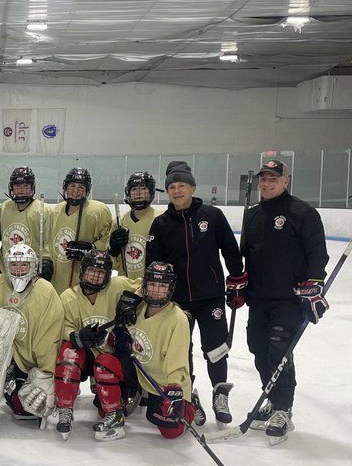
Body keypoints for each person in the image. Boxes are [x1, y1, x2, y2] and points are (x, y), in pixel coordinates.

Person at [236, 158, 329, 444]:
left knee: (279, 351)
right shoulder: (252, 215)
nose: (267, 183)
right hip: (259, 298)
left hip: (289, 299)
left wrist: (314, 283)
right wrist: (240, 283)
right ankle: (273, 397)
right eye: (264, 178)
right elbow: (247, 255)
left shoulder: (302, 213)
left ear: (286, 180)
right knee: (258, 349)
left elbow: (317, 253)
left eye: (274, 178)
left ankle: (282, 409)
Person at [146, 160, 244, 426]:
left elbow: (230, 250)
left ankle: (219, 392)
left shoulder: (212, 216)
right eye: (172, 187)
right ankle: (189, 395)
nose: (177, 191)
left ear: (192, 188)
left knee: (216, 348)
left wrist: (237, 280)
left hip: (210, 296)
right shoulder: (161, 224)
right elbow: (152, 264)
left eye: (182, 186)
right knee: (181, 352)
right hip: (176, 303)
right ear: (167, 192)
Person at [0, 243, 64, 424]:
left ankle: (13, 383)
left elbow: (49, 336)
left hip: (28, 362)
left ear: (33, 266)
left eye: (24, 264)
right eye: (14, 264)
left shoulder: (45, 291)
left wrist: (45, 373)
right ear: (6, 266)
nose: (19, 269)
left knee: (23, 407)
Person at [54, 249, 140, 441]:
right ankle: (65, 409)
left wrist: (130, 299)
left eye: (100, 272)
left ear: (108, 276)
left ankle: (114, 413)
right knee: (69, 351)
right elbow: (62, 329)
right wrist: (76, 336)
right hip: (89, 357)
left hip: (116, 360)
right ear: (82, 271)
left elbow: (145, 286)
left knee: (104, 364)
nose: (94, 276)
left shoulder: (118, 286)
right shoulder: (68, 297)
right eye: (91, 270)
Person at [116, 261, 197, 441]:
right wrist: (120, 334)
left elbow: (178, 361)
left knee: (170, 432)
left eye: (162, 286)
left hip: (163, 384)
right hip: (140, 373)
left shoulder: (178, 320)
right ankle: (133, 392)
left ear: (170, 289)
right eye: (152, 284)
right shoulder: (138, 308)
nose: (156, 290)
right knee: (110, 362)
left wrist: (174, 389)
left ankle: (192, 405)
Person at [47, 166, 113, 294]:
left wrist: (91, 248)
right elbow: (48, 243)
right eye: (72, 186)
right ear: (65, 187)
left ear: (87, 191)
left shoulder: (98, 211)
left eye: (81, 188)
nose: (76, 191)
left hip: (86, 282)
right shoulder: (56, 211)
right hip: (57, 279)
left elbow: (108, 241)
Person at [0, 166, 52, 278]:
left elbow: (48, 241)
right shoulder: (5, 207)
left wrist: (45, 262)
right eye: (17, 186)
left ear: (32, 188)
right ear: (12, 188)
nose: (21, 190)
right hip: (6, 271)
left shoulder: (43, 210)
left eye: (25, 186)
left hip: (32, 272)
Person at [110, 170, 159, 284]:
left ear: (151, 192)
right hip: (125, 285)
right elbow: (111, 263)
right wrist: (113, 250)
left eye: (143, 189)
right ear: (129, 193)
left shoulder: (160, 219)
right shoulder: (119, 222)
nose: (138, 193)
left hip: (153, 287)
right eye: (134, 189)